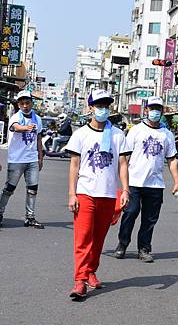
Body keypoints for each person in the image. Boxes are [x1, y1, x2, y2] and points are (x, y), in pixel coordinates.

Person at [64, 90, 131, 300]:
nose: (103, 109)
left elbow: (122, 164)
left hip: (108, 194)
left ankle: (91, 270)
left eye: (106, 105)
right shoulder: (80, 134)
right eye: (99, 105)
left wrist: (126, 190)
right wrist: (71, 194)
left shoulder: (118, 134)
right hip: (85, 192)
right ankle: (80, 280)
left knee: (99, 239)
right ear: (90, 108)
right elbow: (74, 165)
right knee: (83, 238)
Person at [113, 96, 178, 263]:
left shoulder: (167, 135)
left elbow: (171, 159)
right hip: (134, 182)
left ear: (162, 111)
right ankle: (122, 243)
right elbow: (125, 157)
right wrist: (121, 183)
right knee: (130, 213)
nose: (155, 112)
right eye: (152, 108)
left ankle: (144, 249)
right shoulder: (136, 130)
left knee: (150, 219)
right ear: (146, 110)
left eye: (158, 109)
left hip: (155, 184)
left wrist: (177, 183)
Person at [0, 90, 44, 229]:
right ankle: (0, 213)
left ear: (32, 103)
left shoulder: (37, 119)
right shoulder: (15, 117)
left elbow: (38, 138)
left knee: (32, 189)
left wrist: (40, 157)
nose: (25, 105)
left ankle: (30, 217)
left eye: (27, 102)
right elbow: (15, 128)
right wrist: (26, 127)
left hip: (32, 159)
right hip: (17, 159)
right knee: (9, 189)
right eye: (22, 103)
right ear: (18, 104)